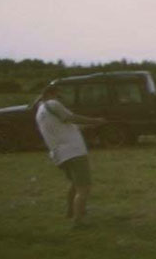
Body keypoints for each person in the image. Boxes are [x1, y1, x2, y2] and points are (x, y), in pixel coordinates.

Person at [35, 84, 105, 226]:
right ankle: (78, 221)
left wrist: (90, 125)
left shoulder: (40, 112)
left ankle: (71, 212)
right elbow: (70, 117)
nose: (60, 99)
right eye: (58, 96)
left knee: (75, 183)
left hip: (59, 154)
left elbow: (67, 126)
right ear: (51, 94)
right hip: (74, 151)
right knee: (84, 187)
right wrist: (95, 120)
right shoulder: (52, 103)